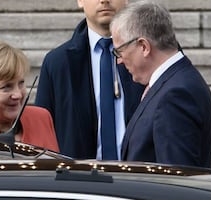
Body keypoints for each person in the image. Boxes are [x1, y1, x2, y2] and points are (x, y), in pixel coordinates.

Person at [111, 0, 211, 168]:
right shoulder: (174, 83)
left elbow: (176, 183)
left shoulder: (175, 95)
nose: (119, 61)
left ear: (144, 46)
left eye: (120, 51)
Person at [35, 0, 144, 160]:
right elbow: (42, 133)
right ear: (80, 1)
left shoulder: (152, 52)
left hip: (144, 178)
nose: (104, 0)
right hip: (80, 180)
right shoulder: (57, 63)